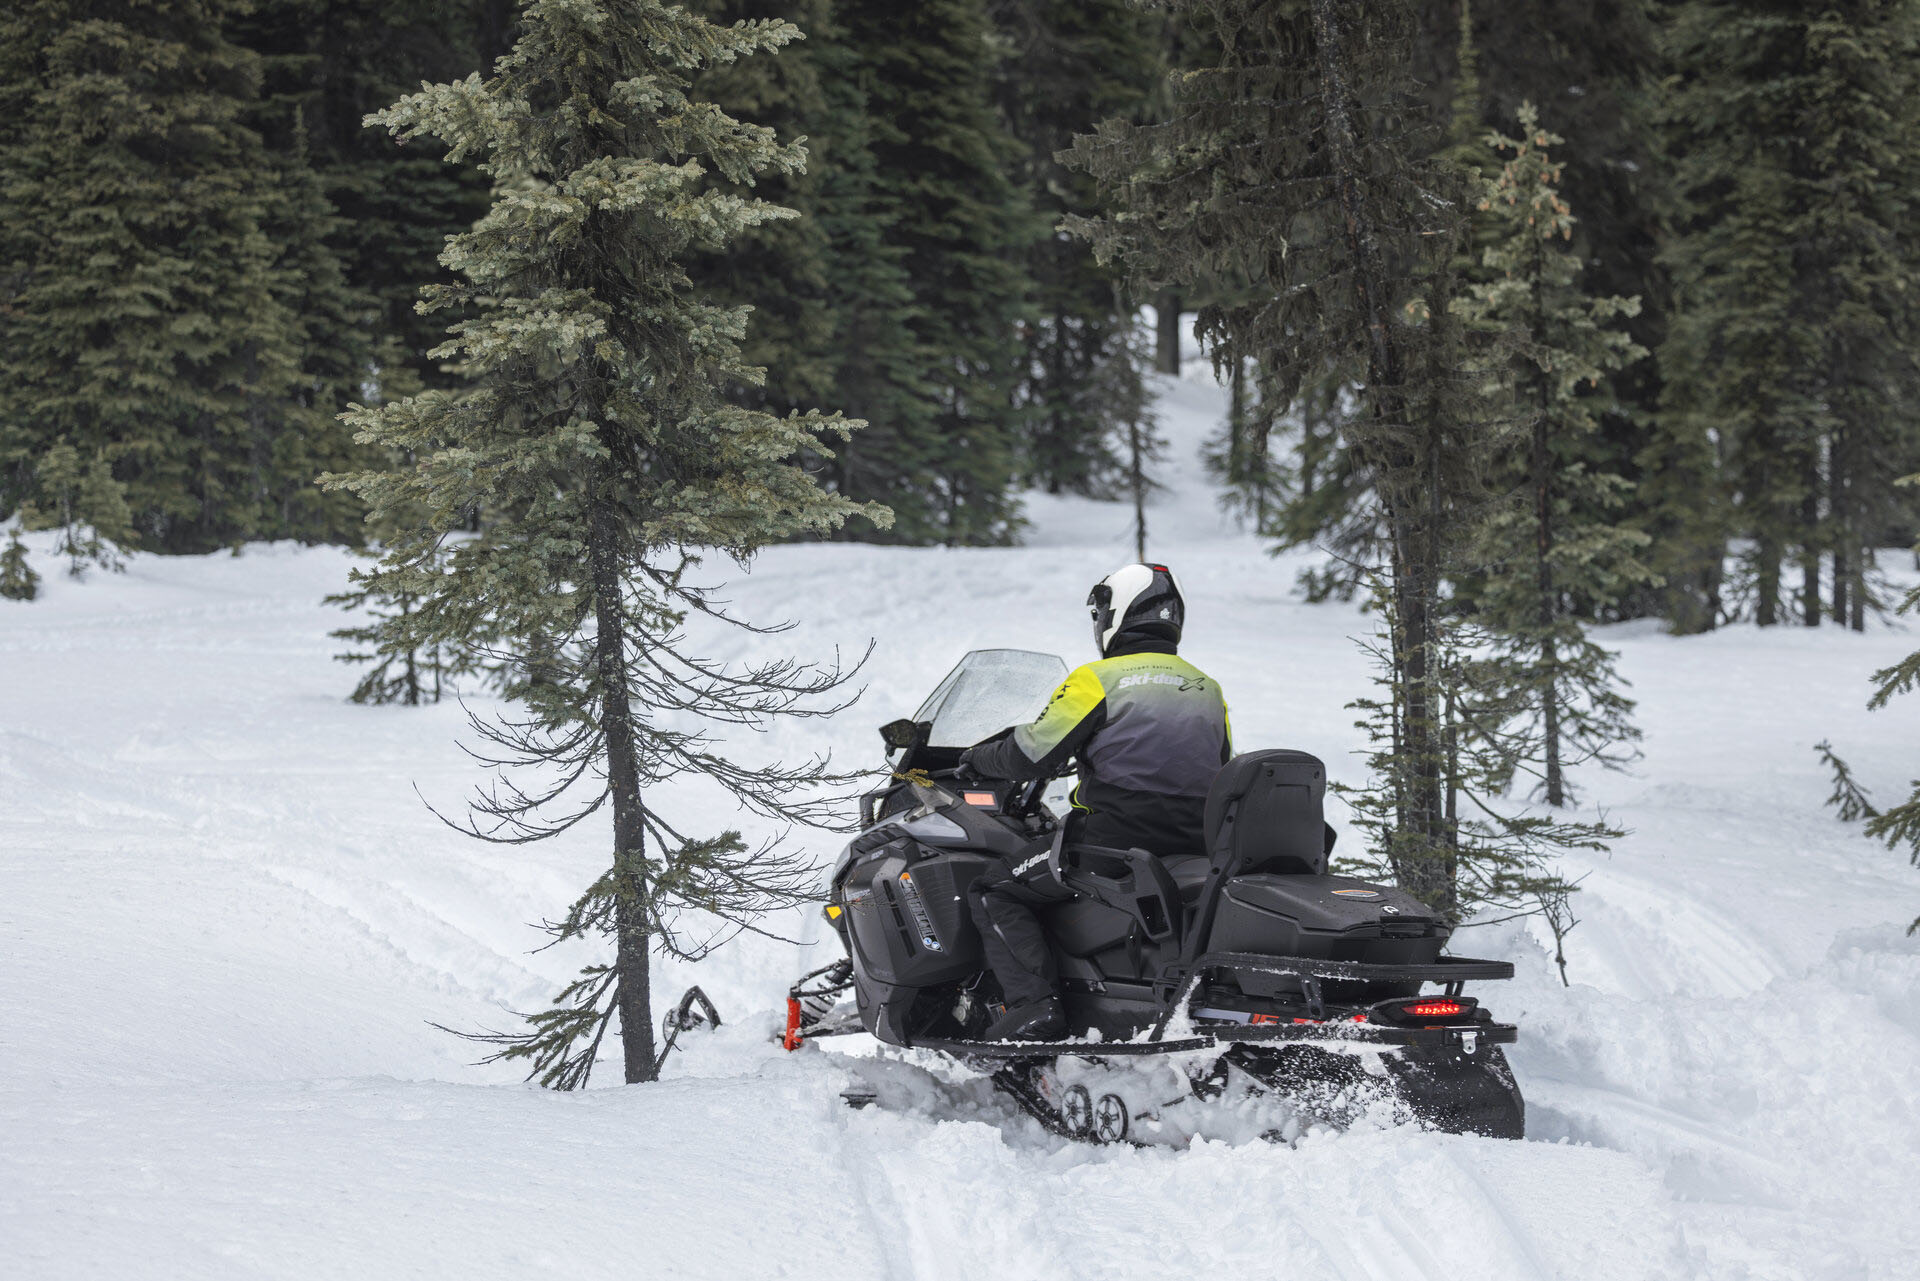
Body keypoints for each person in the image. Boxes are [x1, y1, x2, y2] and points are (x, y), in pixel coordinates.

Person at [957, 563, 1231, 1040]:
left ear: (1117, 613)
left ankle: (1034, 1005)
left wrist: (977, 759)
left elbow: (1032, 752)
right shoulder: (1207, 688)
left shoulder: (1097, 679)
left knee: (995, 889)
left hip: (1112, 842)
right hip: (1195, 843)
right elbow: (1226, 766)